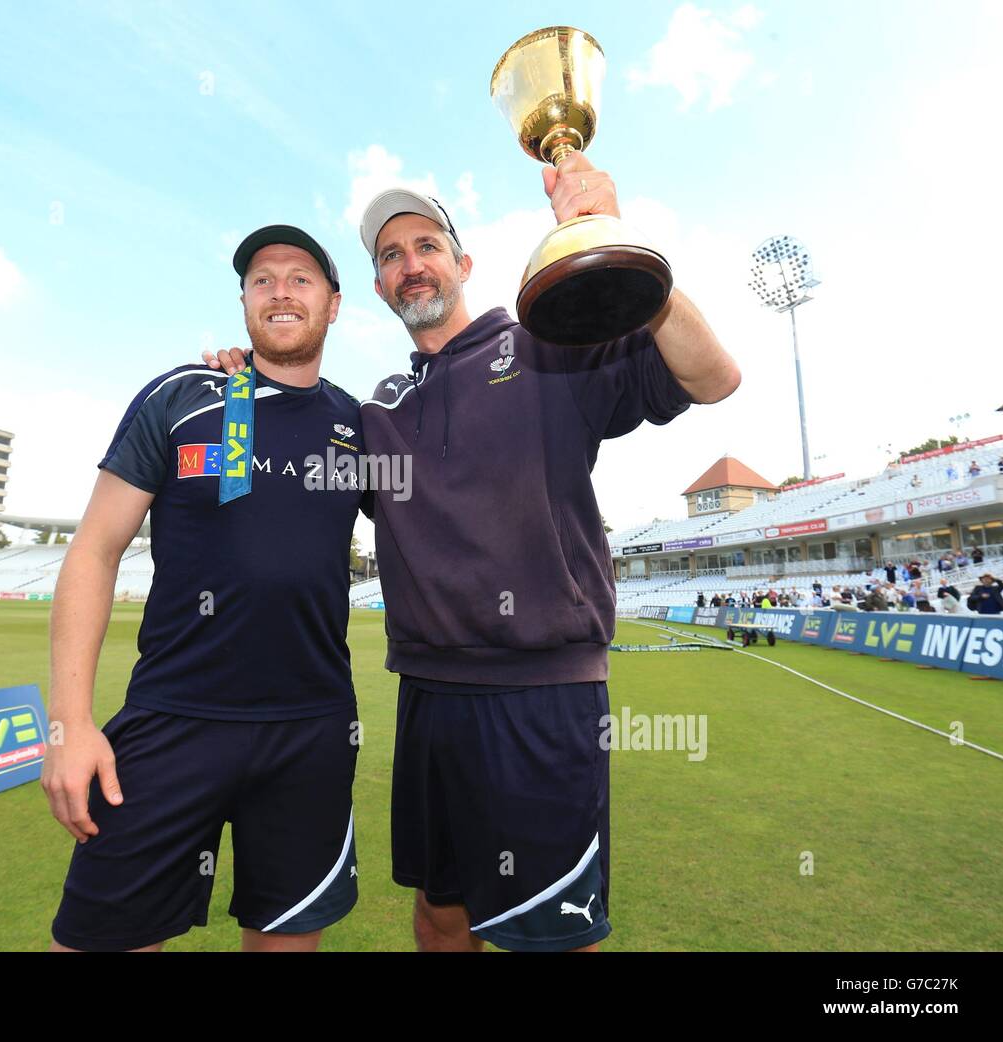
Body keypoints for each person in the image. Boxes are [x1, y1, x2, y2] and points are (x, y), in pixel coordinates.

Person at [207, 153, 740, 952]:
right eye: (390, 256)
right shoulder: (379, 411)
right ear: (380, 290)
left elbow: (713, 377)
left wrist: (613, 244)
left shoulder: (546, 347)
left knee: (554, 936)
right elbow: (284, 469)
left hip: (540, 698)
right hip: (427, 700)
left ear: (462, 263)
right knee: (438, 914)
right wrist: (248, 387)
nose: (409, 264)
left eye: (424, 245)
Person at [45, 226, 367, 952]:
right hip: (172, 723)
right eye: (262, 279)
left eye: (300, 278)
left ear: (335, 304)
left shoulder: (358, 426)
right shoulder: (179, 397)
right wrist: (69, 722)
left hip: (310, 730)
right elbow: (94, 551)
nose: (280, 290)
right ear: (245, 300)